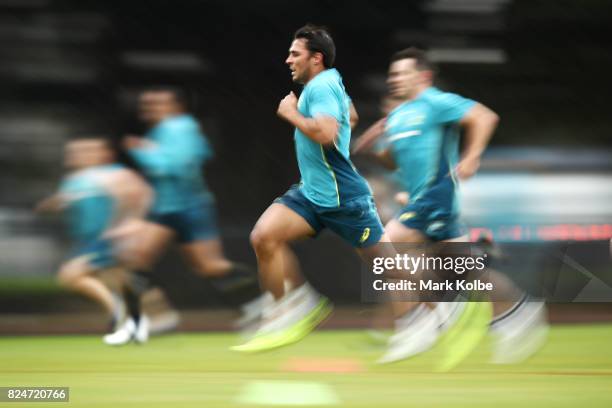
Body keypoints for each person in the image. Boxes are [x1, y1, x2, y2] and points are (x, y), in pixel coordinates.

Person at [358, 47, 545, 364]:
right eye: (393, 74)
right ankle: (517, 313)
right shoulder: (401, 115)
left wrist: (471, 156)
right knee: (464, 274)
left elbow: (484, 117)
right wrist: (373, 144)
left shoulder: (436, 102)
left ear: (423, 76)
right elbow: (392, 162)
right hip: (422, 201)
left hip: (435, 197)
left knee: (382, 244)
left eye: (403, 73)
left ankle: (418, 323)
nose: (395, 79)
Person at [122, 87, 258, 316]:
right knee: (137, 258)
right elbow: (197, 156)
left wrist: (141, 151)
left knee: (210, 266)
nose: (149, 108)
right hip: (167, 208)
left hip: (189, 208)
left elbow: (174, 168)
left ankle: (265, 303)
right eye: (146, 104)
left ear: (175, 106)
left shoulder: (181, 127)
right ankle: (146, 317)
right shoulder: (163, 131)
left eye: (156, 103)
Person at [36, 138, 153, 344]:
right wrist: (51, 205)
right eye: (74, 152)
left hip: (104, 238)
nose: (78, 155)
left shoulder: (113, 174)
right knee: (117, 282)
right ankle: (136, 322)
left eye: (86, 151)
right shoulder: (73, 180)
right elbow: (66, 200)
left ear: (102, 154)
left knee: (70, 276)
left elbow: (142, 194)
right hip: (85, 240)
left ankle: (119, 311)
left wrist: (131, 223)